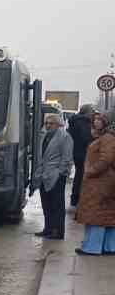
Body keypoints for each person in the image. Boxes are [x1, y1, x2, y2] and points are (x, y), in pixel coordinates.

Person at [75, 111, 115, 255]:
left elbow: (106, 159)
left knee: (95, 214)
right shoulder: (105, 137)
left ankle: (92, 247)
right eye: (95, 119)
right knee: (107, 214)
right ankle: (109, 246)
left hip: (101, 182)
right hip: (103, 181)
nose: (96, 122)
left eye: (100, 119)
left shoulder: (107, 138)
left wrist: (91, 171)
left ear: (106, 122)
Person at [33, 110, 73, 240]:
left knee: (57, 205)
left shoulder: (65, 137)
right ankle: (48, 228)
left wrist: (61, 173)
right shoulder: (44, 136)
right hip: (44, 176)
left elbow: (67, 158)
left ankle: (58, 231)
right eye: (46, 123)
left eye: (51, 123)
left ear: (58, 124)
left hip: (56, 176)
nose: (48, 125)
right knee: (46, 204)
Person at [69, 103, 95, 206]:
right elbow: (85, 138)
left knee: (79, 175)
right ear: (87, 112)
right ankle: (77, 198)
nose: (93, 113)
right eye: (92, 111)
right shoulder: (83, 122)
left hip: (77, 152)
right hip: (83, 152)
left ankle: (75, 198)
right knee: (81, 176)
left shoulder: (76, 120)